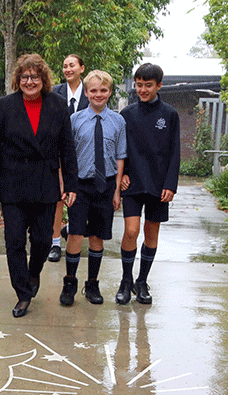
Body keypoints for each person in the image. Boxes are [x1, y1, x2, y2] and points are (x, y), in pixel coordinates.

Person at [0, 53, 79, 318]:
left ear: (43, 79)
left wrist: (71, 183)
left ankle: (33, 273)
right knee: (14, 241)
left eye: (35, 77)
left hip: (45, 184)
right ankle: (23, 294)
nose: (30, 82)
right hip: (13, 185)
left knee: (42, 241)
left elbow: (67, 148)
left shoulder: (58, 105)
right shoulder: (4, 106)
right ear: (18, 79)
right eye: (25, 77)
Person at [60, 70, 126, 306]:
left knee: (98, 236)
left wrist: (116, 190)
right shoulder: (75, 120)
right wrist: (66, 185)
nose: (99, 94)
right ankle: (70, 282)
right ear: (86, 93)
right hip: (80, 185)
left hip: (105, 185)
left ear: (110, 92)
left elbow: (120, 156)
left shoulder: (118, 122)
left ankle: (92, 284)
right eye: (94, 90)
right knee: (76, 233)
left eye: (103, 90)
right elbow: (66, 155)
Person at [117, 63, 180, 305]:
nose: (143, 90)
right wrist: (122, 174)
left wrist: (170, 185)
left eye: (148, 85)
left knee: (151, 233)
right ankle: (126, 280)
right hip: (132, 183)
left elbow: (175, 152)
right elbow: (120, 150)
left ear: (159, 85)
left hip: (158, 184)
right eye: (139, 85)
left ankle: (141, 282)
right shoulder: (127, 114)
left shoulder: (170, 115)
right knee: (131, 231)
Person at [48, 54, 88, 263]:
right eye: (64, 66)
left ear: (82, 68)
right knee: (58, 199)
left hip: (84, 155)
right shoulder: (55, 93)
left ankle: (70, 230)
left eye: (72, 65)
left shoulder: (91, 92)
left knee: (81, 200)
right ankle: (55, 243)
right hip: (58, 154)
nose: (68, 69)